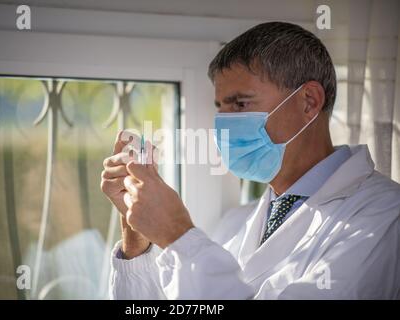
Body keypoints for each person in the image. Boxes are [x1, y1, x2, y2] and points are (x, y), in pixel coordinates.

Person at [100, 22, 400, 299]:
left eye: (241, 103)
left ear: (308, 101)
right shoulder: (235, 222)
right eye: (221, 106)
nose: (224, 123)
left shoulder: (385, 218)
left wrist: (178, 233)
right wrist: (137, 238)